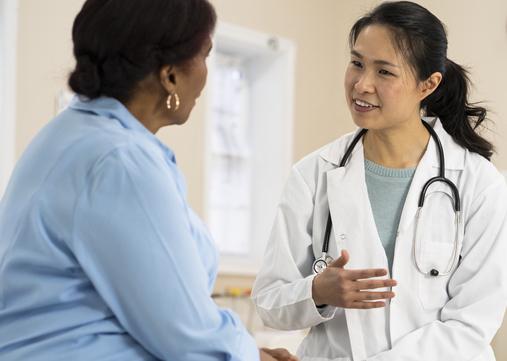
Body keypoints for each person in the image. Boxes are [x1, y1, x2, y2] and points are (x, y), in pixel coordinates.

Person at [0, 1, 297, 360]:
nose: (206, 75)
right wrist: (251, 355)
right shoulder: (120, 162)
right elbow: (186, 334)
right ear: (170, 75)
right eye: (205, 56)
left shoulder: (71, 135)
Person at [252, 1, 507, 360]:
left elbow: (470, 324)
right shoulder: (313, 174)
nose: (362, 84)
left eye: (384, 72)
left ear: (428, 84)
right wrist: (317, 291)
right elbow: (268, 302)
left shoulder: (478, 184)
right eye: (357, 63)